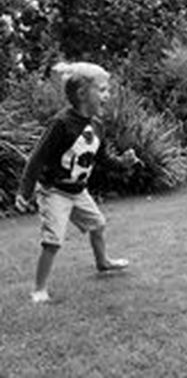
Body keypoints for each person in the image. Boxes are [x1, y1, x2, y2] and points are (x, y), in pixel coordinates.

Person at [14, 62, 141, 304]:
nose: (108, 95)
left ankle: (103, 263)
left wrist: (123, 162)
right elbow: (37, 158)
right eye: (102, 90)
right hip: (54, 192)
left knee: (98, 225)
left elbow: (102, 159)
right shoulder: (61, 123)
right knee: (53, 240)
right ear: (83, 94)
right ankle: (39, 289)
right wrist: (25, 190)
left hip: (78, 191)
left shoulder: (98, 126)